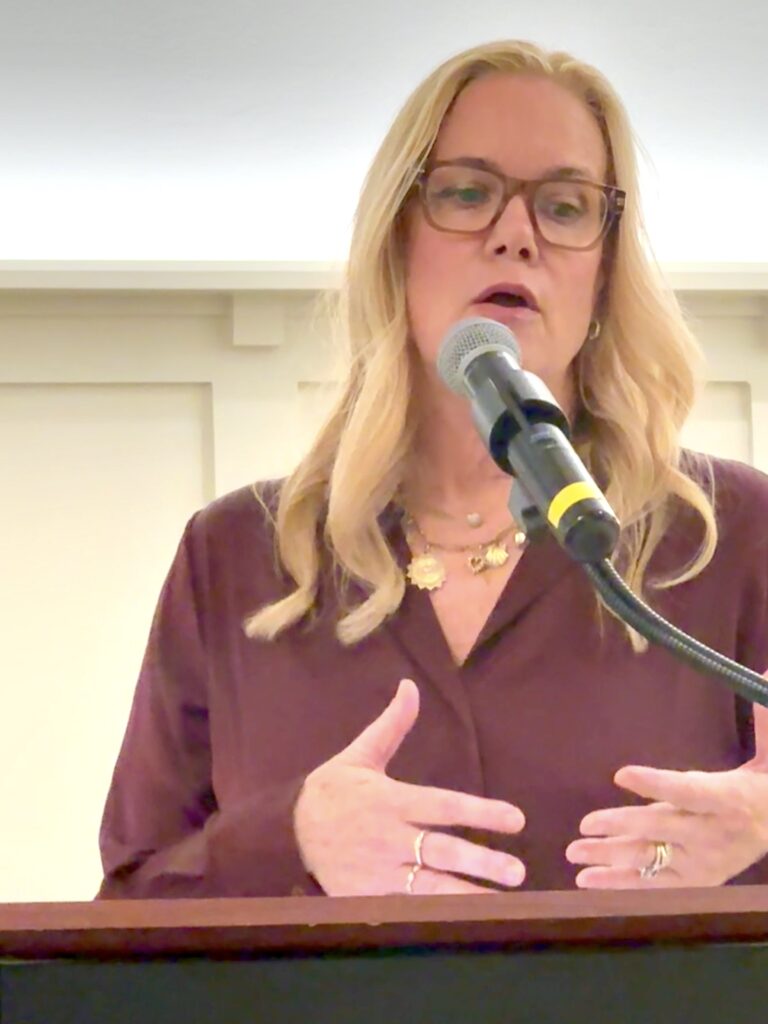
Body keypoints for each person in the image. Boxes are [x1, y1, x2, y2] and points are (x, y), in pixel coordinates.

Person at [96, 39, 768, 900]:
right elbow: (130, 902)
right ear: (397, 242)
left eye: (565, 207)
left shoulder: (734, 537)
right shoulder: (233, 557)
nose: (516, 235)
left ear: (603, 276)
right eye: (467, 193)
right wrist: (291, 836)